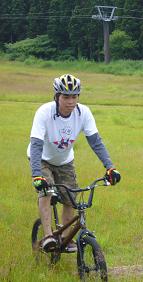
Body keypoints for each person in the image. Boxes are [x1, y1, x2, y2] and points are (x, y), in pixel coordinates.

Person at [27, 74, 121, 252]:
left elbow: (96, 142)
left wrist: (110, 167)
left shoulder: (83, 112)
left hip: (64, 161)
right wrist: (36, 175)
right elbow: (37, 144)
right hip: (41, 159)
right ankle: (47, 236)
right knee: (46, 191)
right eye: (66, 97)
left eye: (74, 96)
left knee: (71, 197)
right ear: (57, 96)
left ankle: (64, 239)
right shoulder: (44, 112)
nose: (70, 101)